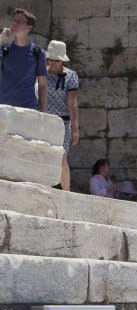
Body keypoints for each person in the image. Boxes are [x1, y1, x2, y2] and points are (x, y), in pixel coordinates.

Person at [44, 40, 78, 191]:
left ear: (62, 60)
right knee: (43, 156)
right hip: (43, 122)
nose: (52, 63)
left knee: (62, 160)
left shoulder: (70, 76)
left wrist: (75, 128)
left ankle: (66, 193)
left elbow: (72, 103)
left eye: (56, 60)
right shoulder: (41, 73)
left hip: (62, 123)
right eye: (50, 59)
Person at [0, 8, 46, 111]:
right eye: (14, 20)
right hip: (4, 110)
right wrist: (1, 39)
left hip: (28, 110)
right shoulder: (4, 49)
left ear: (29, 27)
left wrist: (43, 113)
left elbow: (42, 85)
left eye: (19, 21)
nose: (14, 24)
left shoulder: (38, 53)